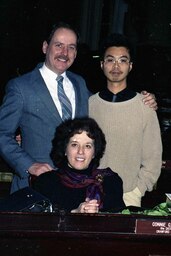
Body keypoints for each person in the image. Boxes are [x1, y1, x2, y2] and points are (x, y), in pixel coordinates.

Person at [0, 22, 157, 194]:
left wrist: (146, 100)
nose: (64, 53)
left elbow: (109, 107)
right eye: (58, 45)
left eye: (71, 47)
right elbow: (2, 134)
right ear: (45, 47)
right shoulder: (21, 87)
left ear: (75, 53)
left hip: (76, 191)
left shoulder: (79, 84)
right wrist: (28, 165)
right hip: (35, 187)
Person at [89, 33, 162, 207]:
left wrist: (138, 190)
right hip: (90, 193)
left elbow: (153, 157)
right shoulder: (89, 104)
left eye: (122, 60)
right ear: (102, 64)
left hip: (128, 195)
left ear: (130, 66)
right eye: (110, 60)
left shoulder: (145, 106)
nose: (116, 66)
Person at [32, 117, 126, 213]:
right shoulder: (47, 182)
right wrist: (75, 213)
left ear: (94, 153)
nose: (80, 151)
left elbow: (120, 223)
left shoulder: (110, 181)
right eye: (74, 145)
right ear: (65, 149)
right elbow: (43, 224)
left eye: (87, 146)